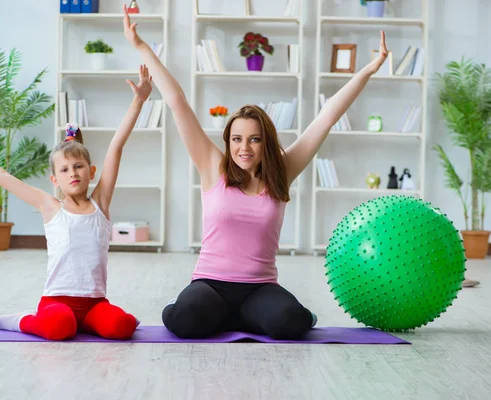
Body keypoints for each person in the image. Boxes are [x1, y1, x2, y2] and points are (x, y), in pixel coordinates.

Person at [123, 7, 390, 339]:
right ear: (228, 141)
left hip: (259, 288)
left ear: (266, 143)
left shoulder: (282, 173)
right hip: (210, 284)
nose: (244, 148)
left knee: (291, 324)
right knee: (185, 321)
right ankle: (206, 312)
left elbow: (326, 116)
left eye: (253, 139)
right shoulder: (212, 167)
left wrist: (369, 68)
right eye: (236, 139)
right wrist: (139, 45)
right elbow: (177, 100)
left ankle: (252, 316)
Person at [0, 65, 154, 340]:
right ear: (55, 179)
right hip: (55, 303)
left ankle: (95, 323)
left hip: (94, 304)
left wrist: (139, 99)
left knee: (122, 328)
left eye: (78, 166)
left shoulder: (101, 203)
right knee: (59, 328)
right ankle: (23, 320)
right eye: (64, 170)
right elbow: (0, 175)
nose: (73, 173)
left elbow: (116, 147)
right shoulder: (51, 206)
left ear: (92, 171)